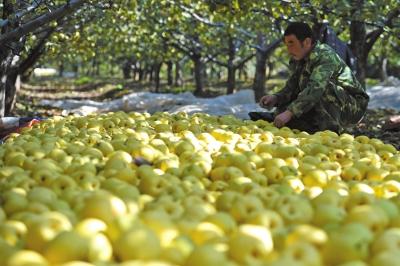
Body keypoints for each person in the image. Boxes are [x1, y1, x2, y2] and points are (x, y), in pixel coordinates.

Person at [249, 22, 369, 134]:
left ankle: (330, 132)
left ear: (306, 42)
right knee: (289, 107)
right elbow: (292, 87)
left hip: (352, 107)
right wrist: (276, 98)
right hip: (327, 103)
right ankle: (309, 126)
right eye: (286, 44)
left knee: (322, 88)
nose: (288, 49)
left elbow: (316, 89)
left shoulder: (325, 56)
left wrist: (289, 113)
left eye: (291, 43)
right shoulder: (299, 59)